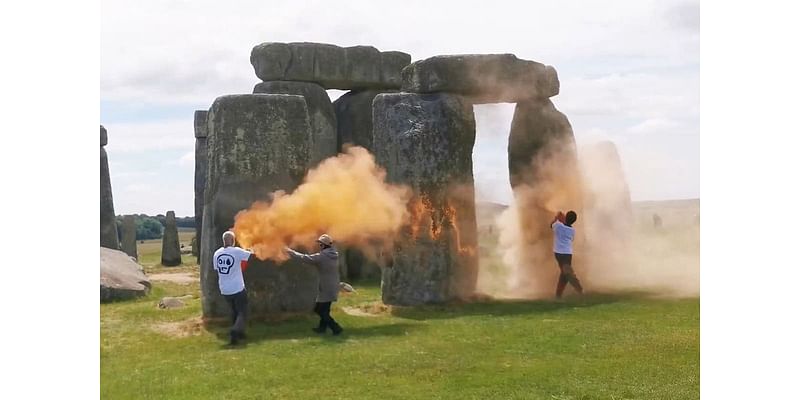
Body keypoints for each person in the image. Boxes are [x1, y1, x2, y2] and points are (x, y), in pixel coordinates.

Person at [285, 234, 343, 336]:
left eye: (320, 244)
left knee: (319, 309)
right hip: (332, 285)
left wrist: (289, 251)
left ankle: (336, 327)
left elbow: (304, 258)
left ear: (323, 245)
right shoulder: (333, 254)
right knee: (325, 309)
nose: (319, 245)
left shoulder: (323, 256)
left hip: (325, 286)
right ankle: (322, 328)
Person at [213, 230, 254, 345]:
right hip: (237, 288)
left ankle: (239, 334)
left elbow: (217, 269)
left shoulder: (217, 253)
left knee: (234, 311)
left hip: (224, 289)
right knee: (243, 312)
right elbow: (251, 255)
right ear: (232, 241)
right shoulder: (236, 251)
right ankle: (235, 331)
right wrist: (251, 248)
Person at [551, 210, 584, 298]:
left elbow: (552, 225)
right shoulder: (572, 230)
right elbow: (571, 239)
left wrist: (557, 217)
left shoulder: (558, 226)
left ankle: (560, 294)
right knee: (566, 272)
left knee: (565, 273)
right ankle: (577, 289)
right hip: (568, 253)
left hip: (558, 253)